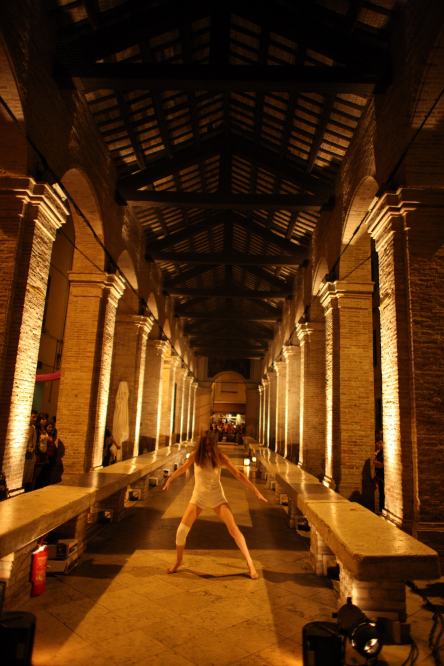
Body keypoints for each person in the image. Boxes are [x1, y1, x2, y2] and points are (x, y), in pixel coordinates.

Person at [163, 432, 267, 579]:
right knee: (181, 531)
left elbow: (238, 474)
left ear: (214, 444)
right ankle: (179, 561)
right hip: (198, 497)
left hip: (217, 497)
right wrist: (170, 479)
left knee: (234, 531)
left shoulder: (220, 457)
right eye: (205, 445)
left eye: (210, 445)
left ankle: (250, 564)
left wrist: (254, 489)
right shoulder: (195, 455)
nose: (208, 448)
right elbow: (183, 469)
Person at [23, 410, 38, 492]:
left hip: (31, 454)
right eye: (33, 417)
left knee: (28, 476)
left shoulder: (33, 428)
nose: (35, 419)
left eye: (36, 417)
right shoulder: (25, 427)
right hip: (25, 453)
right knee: (23, 475)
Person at [34, 413, 49, 490]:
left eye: (45, 419)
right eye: (43, 419)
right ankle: (32, 488)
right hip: (39, 452)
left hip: (44, 452)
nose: (44, 421)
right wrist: (37, 454)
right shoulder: (37, 430)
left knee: (42, 473)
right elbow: (36, 442)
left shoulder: (45, 430)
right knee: (36, 473)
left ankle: (39, 487)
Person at [374, 439, 384, 513]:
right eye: (378, 443)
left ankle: (383, 509)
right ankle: (381, 510)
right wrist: (378, 463)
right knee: (380, 492)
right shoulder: (380, 452)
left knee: (384, 493)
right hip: (379, 476)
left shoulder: (386, 453)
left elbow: (382, 465)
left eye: (381, 443)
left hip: (383, 476)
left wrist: (378, 464)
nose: (379, 445)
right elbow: (374, 462)